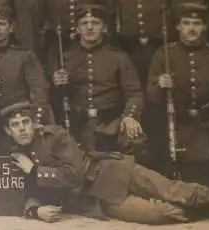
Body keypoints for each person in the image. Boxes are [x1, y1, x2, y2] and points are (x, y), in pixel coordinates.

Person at [3, 102, 209, 225]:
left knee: (172, 190)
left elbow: (75, 173)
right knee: (159, 214)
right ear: (8, 131)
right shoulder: (14, 157)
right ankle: (206, 212)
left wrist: (34, 170)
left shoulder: (54, 135)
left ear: (34, 123)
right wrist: (35, 210)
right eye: (15, 125)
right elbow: (19, 192)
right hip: (96, 197)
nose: (22, 128)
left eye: (26, 122)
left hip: (111, 171)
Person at [51, 3, 145, 157]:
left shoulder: (118, 57)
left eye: (95, 23)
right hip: (75, 124)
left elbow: (134, 93)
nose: (89, 28)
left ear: (104, 28)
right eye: (84, 23)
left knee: (135, 140)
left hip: (110, 124)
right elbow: (54, 100)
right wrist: (57, 86)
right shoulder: (65, 58)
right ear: (77, 29)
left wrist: (130, 116)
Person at [146, 2, 209, 187]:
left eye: (196, 24)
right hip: (178, 122)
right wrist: (160, 85)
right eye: (186, 23)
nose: (191, 29)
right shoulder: (164, 54)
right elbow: (150, 94)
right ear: (178, 26)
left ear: (204, 27)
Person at [0, 5, 51, 155]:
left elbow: (39, 90)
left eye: (2, 24)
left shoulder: (24, 57)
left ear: (11, 28)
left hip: (19, 125)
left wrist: (37, 119)